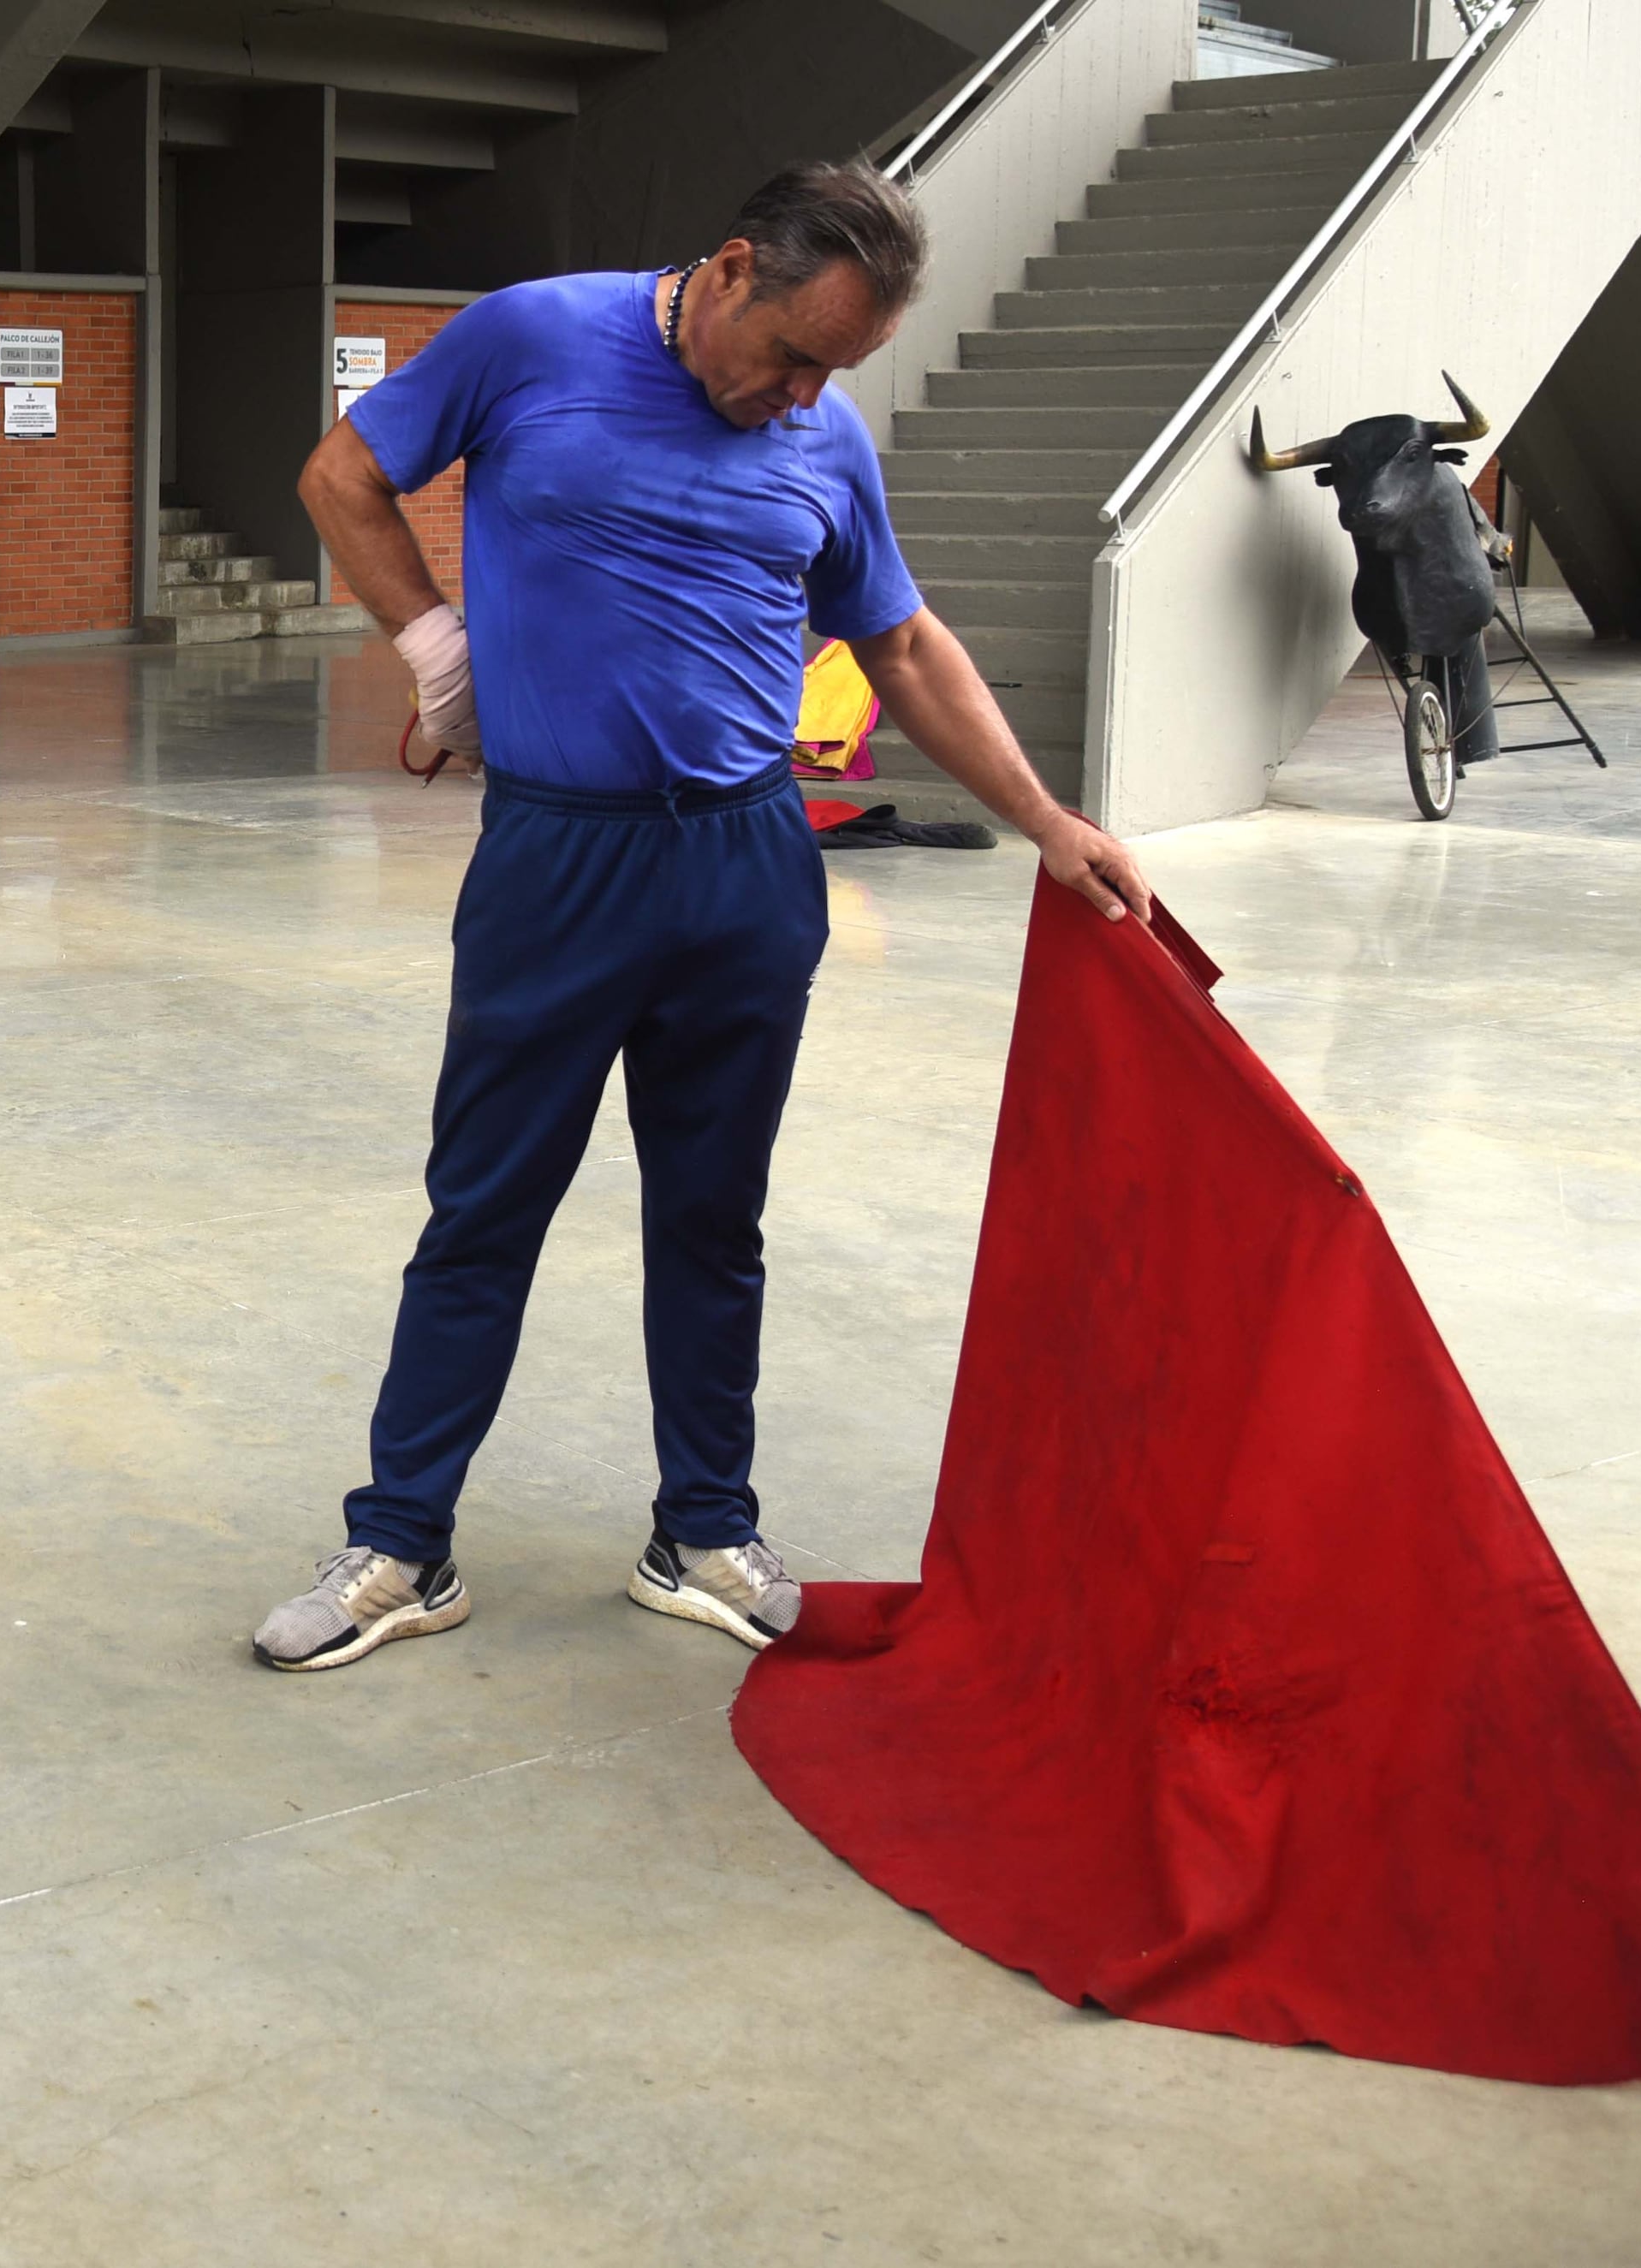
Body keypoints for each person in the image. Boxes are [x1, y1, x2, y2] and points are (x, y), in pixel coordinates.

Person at [249, 159, 1155, 1674]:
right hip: (558, 860)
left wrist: (1046, 821)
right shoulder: (530, 339)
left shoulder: (828, 437)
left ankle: (705, 1532)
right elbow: (342, 474)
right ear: (734, 269)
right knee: (484, 1211)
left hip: (745, 870)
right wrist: (430, 643)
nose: (805, 398)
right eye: (796, 356)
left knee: (714, 1218)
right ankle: (403, 1545)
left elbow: (906, 642)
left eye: (839, 373)